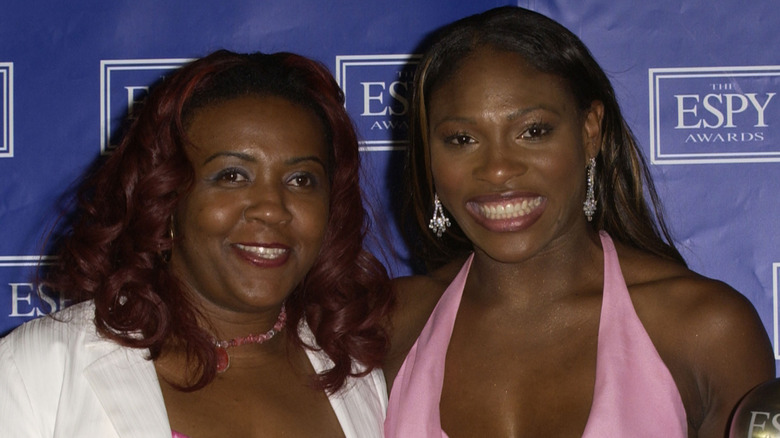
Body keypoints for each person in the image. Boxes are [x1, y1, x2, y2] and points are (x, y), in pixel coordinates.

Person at [383, 6, 774, 438]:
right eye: (462, 139)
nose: (497, 169)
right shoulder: (390, 324)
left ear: (590, 131)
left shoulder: (704, 329)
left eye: (532, 131)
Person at [0, 49, 392, 437]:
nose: (272, 210)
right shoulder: (38, 369)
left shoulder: (362, 375)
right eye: (233, 176)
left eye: (301, 180)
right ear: (166, 197)